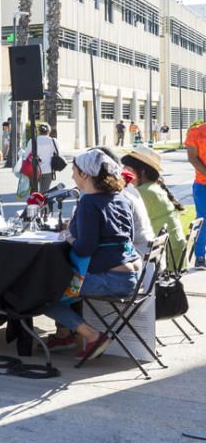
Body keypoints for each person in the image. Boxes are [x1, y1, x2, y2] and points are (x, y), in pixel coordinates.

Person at [41, 149, 141, 360]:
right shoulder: (120, 198)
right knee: (63, 285)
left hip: (110, 279)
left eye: (75, 171)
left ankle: (93, 336)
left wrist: (69, 237)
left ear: (85, 174)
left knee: (43, 296)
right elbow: (124, 236)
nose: (72, 176)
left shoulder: (88, 202)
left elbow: (85, 248)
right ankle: (67, 333)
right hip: (132, 276)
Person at [122, 146, 186, 270]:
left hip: (165, 256)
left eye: (128, 169)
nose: (123, 173)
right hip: (173, 250)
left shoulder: (142, 192)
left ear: (143, 172)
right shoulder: (153, 187)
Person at [185, 122, 206, 267]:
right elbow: (192, 157)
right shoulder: (196, 132)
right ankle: (200, 256)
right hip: (202, 184)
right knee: (203, 219)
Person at [21, 123, 61, 193]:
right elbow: (58, 154)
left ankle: (34, 203)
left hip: (34, 170)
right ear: (49, 131)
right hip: (48, 170)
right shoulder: (53, 141)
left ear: (39, 131)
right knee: (44, 193)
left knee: (34, 192)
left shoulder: (32, 141)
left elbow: (26, 155)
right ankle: (44, 203)